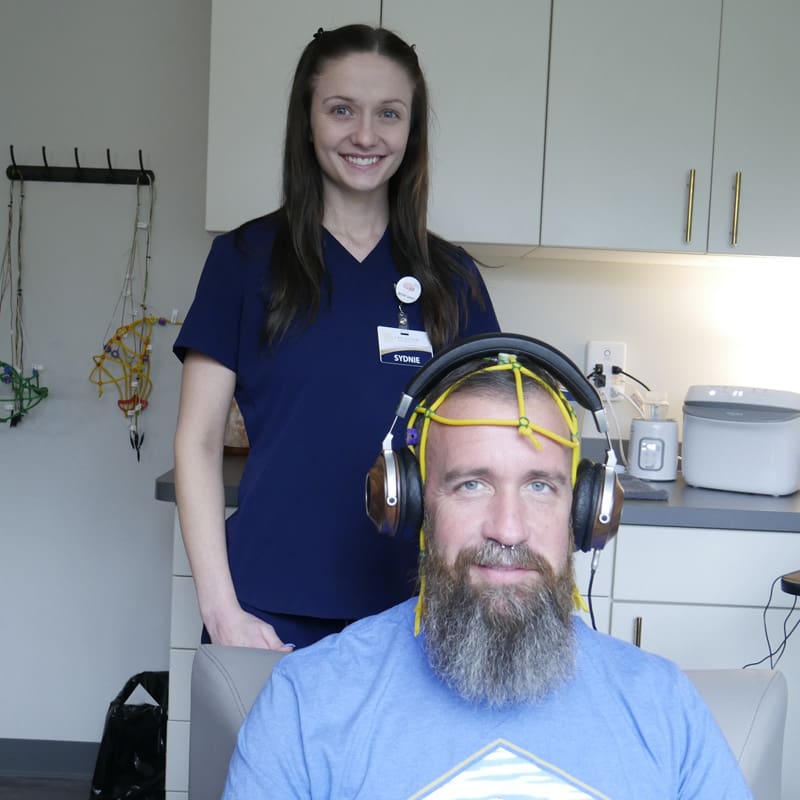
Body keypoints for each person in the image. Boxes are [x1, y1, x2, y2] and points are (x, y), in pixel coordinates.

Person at [222, 338, 752, 799]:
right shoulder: (306, 706)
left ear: (587, 511)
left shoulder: (663, 707)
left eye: (540, 486)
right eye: (471, 484)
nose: (508, 528)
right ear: (411, 503)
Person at [172, 24, 499, 651]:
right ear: (308, 120)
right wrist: (222, 612)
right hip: (266, 614)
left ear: (412, 130)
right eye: (342, 109)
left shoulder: (453, 279)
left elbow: (489, 452)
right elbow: (198, 440)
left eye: (389, 114)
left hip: (417, 619)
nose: (366, 135)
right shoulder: (243, 260)